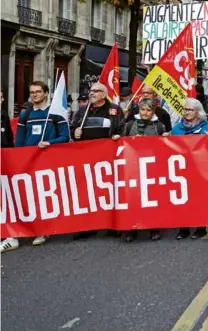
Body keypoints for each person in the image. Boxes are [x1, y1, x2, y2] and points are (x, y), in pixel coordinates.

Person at [1, 82, 69, 252]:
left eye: (38, 92)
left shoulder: (56, 114)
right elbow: (19, 140)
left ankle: (42, 230)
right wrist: (18, 158)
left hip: (47, 160)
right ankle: (18, 232)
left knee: (43, 196)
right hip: (28, 161)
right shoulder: (26, 114)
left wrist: (50, 143)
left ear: (46, 94)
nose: (34, 95)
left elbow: (65, 137)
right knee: (24, 195)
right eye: (32, 92)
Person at [70, 82, 125, 240]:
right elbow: (72, 127)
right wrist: (75, 133)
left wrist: (117, 136)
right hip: (86, 157)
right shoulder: (83, 111)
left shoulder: (114, 110)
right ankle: (88, 226)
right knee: (88, 192)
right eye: (91, 91)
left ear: (103, 94)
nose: (91, 93)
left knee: (109, 190)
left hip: (108, 158)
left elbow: (121, 129)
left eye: (95, 91)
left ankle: (112, 225)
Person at [116, 99, 167, 242]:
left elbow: (165, 146)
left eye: (148, 110)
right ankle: (132, 229)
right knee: (133, 198)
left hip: (151, 167)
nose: (145, 113)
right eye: (143, 110)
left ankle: (153, 228)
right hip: (132, 167)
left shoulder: (159, 126)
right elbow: (121, 141)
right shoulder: (129, 124)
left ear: (153, 112)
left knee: (152, 199)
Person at [171, 98, 208, 239]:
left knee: (199, 199)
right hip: (181, 170)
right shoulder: (177, 128)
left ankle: (200, 227)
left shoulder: (207, 128)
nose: (187, 112)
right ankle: (183, 228)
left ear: (198, 112)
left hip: (200, 170)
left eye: (190, 109)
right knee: (182, 199)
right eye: (185, 109)